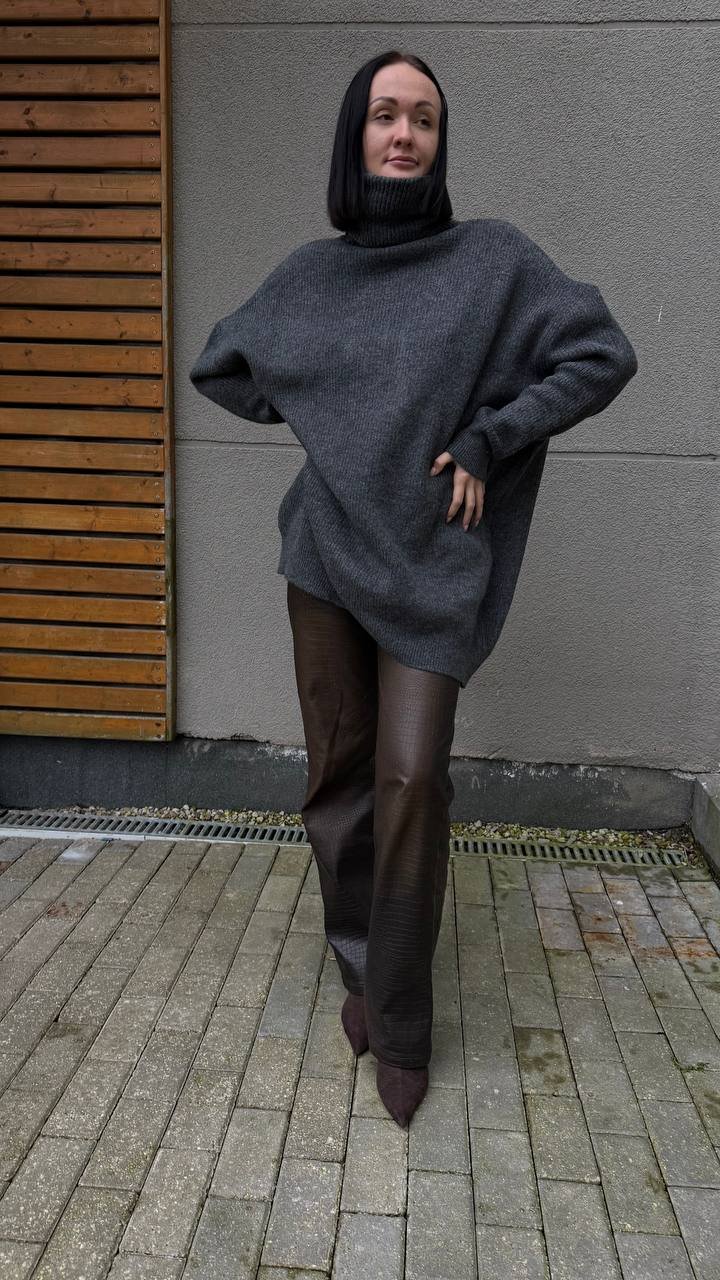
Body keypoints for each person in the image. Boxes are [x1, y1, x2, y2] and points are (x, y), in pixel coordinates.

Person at [189, 50, 639, 1127]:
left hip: (431, 564)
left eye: (424, 119)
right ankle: (365, 968)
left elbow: (600, 353)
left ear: (439, 142)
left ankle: (400, 1023)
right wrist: (327, 421)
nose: (404, 134)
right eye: (386, 115)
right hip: (323, 560)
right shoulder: (312, 275)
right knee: (338, 782)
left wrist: (491, 436)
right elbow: (224, 364)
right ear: (356, 135)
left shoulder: (491, 261)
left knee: (411, 780)